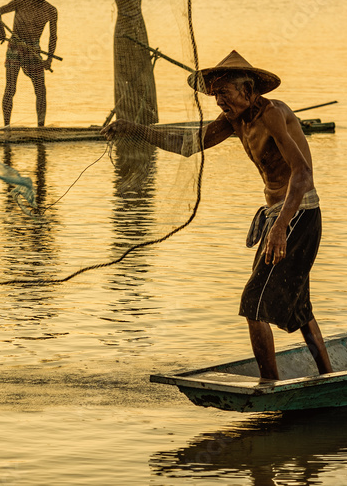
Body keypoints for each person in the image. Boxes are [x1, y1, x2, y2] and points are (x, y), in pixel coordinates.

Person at [101, 50, 333, 380]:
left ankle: (270, 384)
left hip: (299, 215)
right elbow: (187, 144)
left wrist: (281, 227)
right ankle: (328, 375)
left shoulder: (272, 113)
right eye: (215, 95)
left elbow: (303, 173)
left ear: (248, 89)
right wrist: (135, 130)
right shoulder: (234, 121)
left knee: (254, 304)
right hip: (278, 217)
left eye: (224, 93)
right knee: (299, 307)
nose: (219, 101)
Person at [0, 0, 59, 128]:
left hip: (33, 50)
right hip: (15, 46)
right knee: (10, 87)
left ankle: (41, 127)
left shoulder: (51, 11)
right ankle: (6, 126)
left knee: (41, 90)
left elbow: (53, 36)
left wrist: (49, 59)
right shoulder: (21, 2)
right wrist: (0, 29)